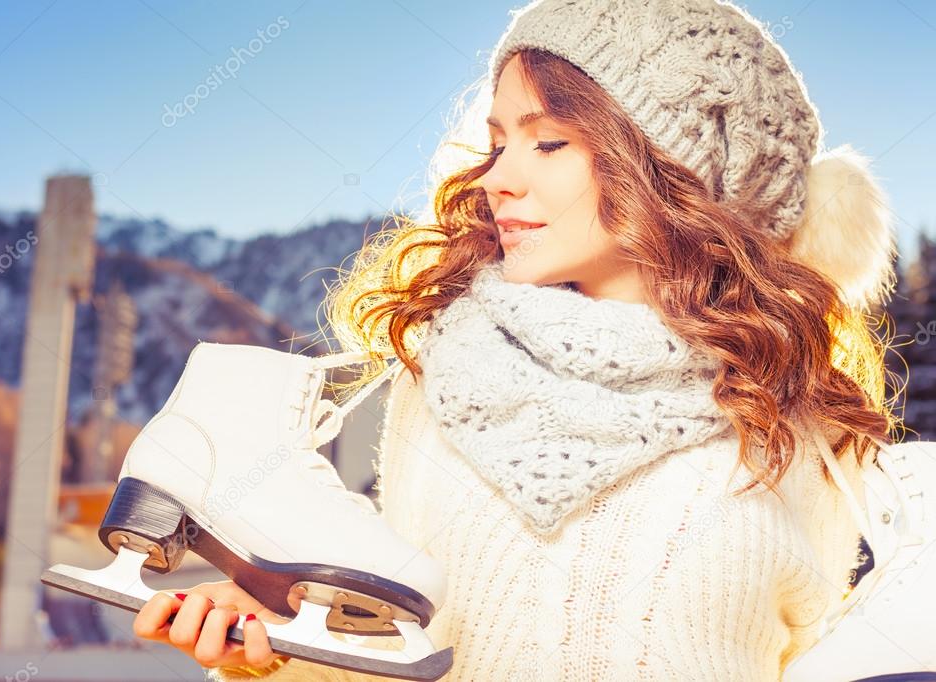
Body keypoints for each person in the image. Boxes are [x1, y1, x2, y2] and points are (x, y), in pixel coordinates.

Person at [133, 0, 901, 679]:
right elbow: (409, 654)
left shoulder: (788, 416)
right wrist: (284, 654)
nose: (495, 177)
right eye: (497, 141)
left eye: (549, 142)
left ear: (676, 172)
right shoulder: (444, 372)